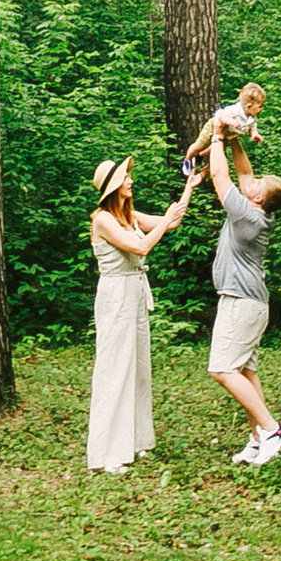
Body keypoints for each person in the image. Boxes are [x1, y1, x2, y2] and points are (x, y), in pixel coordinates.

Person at [86, 154, 201, 474]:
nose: (130, 181)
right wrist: (164, 221)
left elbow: (172, 220)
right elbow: (140, 248)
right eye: (125, 178)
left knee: (138, 368)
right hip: (115, 297)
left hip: (135, 293)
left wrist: (189, 187)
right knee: (115, 370)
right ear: (112, 188)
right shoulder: (102, 220)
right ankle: (106, 455)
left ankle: (135, 441)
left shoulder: (129, 215)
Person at [204, 130, 281, 465]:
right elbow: (244, 174)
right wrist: (234, 140)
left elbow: (219, 174)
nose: (252, 182)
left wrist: (215, 136)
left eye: (258, 184)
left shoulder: (246, 215)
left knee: (222, 369)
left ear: (257, 198)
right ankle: (257, 439)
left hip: (241, 302)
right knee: (246, 372)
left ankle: (272, 429)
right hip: (251, 303)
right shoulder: (258, 208)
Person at [180, 81, 269, 177]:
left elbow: (253, 127)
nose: (261, 109)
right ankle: (188, 159)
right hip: (214, 128)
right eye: (259, 106)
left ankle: (200, 156)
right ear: (249, 106)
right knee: (199, 145)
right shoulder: (235, 111)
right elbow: (219, 114)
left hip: (227, 135)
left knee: (215, 149)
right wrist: (229, 121)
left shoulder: (252, 117)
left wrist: (254, 134)